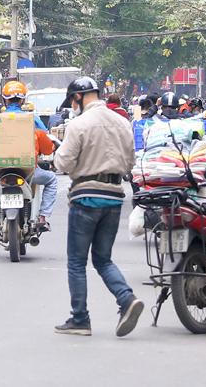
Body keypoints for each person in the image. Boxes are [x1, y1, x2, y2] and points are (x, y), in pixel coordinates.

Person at [53, 77, 144, 338]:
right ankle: (126, 298)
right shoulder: (123, 123)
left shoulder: (78, 124)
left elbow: (64, 163)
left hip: (86, 197)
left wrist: (59, 157)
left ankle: (80, 318)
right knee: (103, 259)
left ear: (79, 97)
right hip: (115, 197)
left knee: (77, 262)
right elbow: (129, 163)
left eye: (72, 100)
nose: (72, 105)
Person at [0, 81, 59, 233]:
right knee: (51, 179)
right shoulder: (33, 119)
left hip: (0, 171)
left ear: (4, 100)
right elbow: (48, 148)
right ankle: (42, 218)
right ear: (23, 100)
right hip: (28, 170)